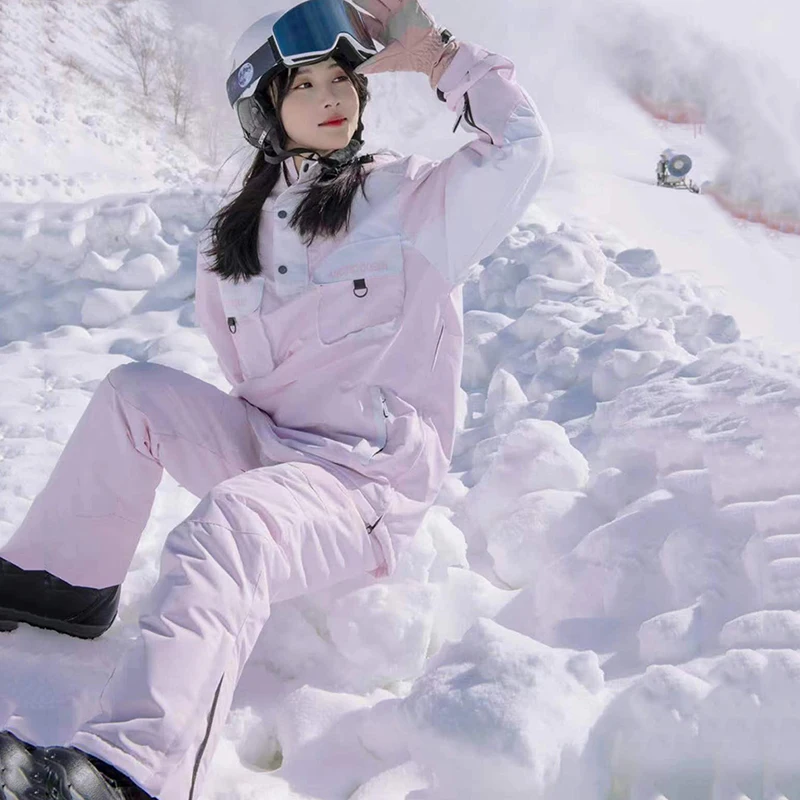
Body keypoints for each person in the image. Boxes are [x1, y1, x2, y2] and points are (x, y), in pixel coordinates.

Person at [0, 0, 554, 797]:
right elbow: (242, 367)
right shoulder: (238, 234)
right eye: (307, 84)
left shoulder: (415, 203)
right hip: (271, 446)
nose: (335, 97)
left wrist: (439, 57)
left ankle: (129, 771)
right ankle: (54, 588)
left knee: (232, 526)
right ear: (263, 107)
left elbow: (524, 147)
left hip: (360, 485)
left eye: (344, 79)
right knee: (134, 395)